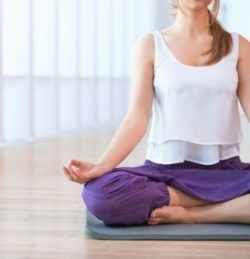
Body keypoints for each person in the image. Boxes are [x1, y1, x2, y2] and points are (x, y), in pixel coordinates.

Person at [63, 0, 250, 226]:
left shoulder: (239, 46)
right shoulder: (151, 45)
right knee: (99, 194)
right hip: (165, 173)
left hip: (226, 173)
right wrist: (102, 166)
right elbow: (136, 117)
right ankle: (225, 204)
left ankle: (192, 214)